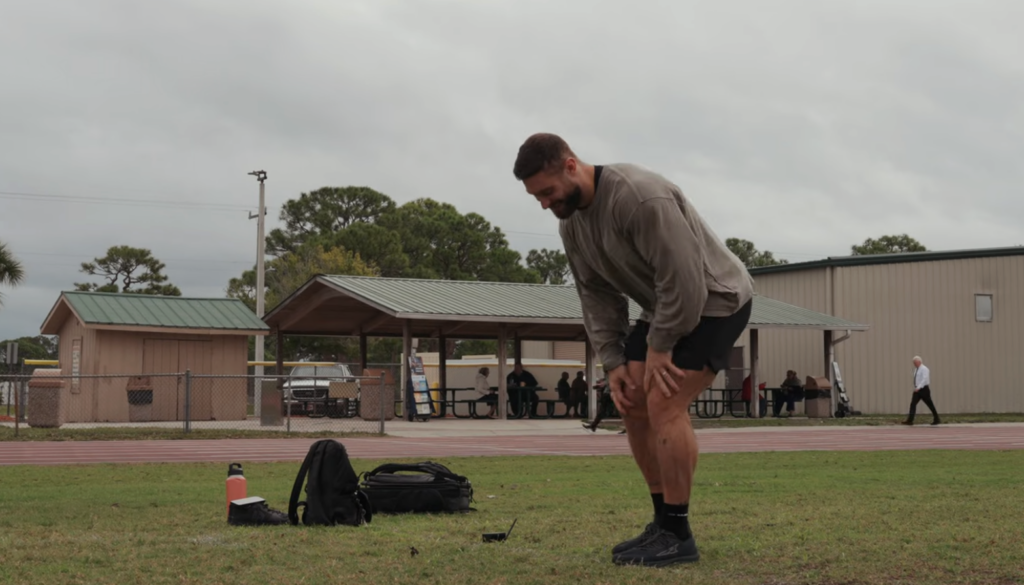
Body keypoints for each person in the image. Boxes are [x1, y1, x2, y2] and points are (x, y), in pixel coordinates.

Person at [513, 133, 754, 567]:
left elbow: (684, 280)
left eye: (546, 192)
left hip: (715, 299)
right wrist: (614, 360)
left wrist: (660, 347)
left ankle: (679, 536)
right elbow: (596, 295)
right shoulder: (572, 224)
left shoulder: (639, 197)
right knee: (631, 401)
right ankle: (663, 523)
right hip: (663, 305)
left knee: (664, 401)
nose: (544, 204)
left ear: (571, 165)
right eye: (536, 197)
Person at [902, 356, 940, 426]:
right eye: (914, 363)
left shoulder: (924, 369)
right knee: (913, 404)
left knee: (930, 404)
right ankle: (910, 420)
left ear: (919, 361)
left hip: (924, 389)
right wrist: (916, 387)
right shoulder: (916, 369)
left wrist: (918, 387)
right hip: (917, 390)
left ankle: (937, 419)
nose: (914, 364)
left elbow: (924, 379)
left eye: (915, 362)